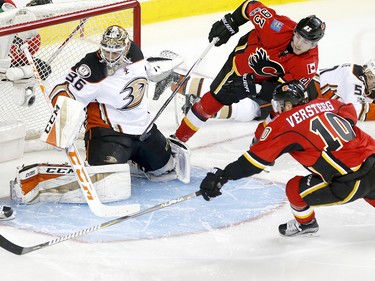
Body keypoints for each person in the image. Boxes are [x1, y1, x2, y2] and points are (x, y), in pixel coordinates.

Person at [11, 25, 190, 204]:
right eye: (106, 51)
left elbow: (143, 72)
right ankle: (39, 181)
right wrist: (63, 118)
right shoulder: (91, 67)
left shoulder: (135, 53)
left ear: (126, 47)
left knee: (165, 171)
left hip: (143, 129)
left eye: (115, 52)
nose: (110, 57)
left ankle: (128, 163)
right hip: (109, 133)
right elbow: (62, 89)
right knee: (106, 186)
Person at [199, 80, 375, 236]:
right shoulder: (326, 103)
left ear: (289, 105)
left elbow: (252, 164)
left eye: (279, 105)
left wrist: (223, 175)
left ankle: (306, 224)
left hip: (351, 182)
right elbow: (350, 113)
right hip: (372, 159)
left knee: (294, 189)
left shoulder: (285, 125)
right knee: (371, 190)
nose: (277, 110)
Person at [169, 0, 325, 143]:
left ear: (313, 45)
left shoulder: (308, 66)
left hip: (268, 79)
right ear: (295, 31)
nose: (298, 43)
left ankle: (259, 144)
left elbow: (282, 91)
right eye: (297, 36)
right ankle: (179, 138)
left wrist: (253, 87)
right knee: (214, 101)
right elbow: (250, 6)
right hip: (242, 62)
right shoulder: (276, 27)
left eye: (305, 42)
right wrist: (231, 22)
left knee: (283, 106)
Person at [160, 58, 375, 124]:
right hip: (298, 91)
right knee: (248, 102)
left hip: (299, 92)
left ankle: (193, 98)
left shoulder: (358, 77)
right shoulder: (354, 78)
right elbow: (355, 112)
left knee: (253, 108)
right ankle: (176, 80)